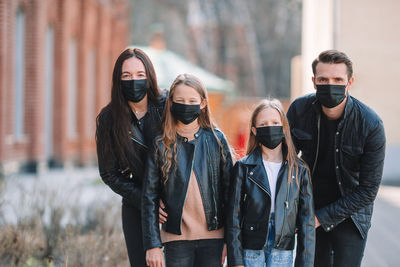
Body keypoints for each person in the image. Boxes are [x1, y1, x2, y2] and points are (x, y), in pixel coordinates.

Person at [287, 50, 386, 267]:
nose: (330, 85)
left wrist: (320, 218)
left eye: (337, 80)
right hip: (309, 206)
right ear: (314, 82)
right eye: (323, 79)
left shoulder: (370, 124)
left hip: (351, 213)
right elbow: (286, 161)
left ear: (349, 82)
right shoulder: (299, 110)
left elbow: (368, 189)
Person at [141, 73, 233, 267]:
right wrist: (152, 244)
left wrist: (230, 241)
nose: (186, 105)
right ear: (171, 102)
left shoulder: (216, 140)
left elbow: (230, 194)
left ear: (203, 103)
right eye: (180, 100)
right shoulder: (160, 144)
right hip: (176, 238)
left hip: (214, 238)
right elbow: (149, 197)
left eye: (192, 100)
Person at [96, 48, 167, 266]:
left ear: (149, 77)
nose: (133, 81)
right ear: (118, 80)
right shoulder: (109, 119)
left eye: (139, 75)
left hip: (174, 203)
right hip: (136, 206)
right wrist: (148, 202)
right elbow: (109, 173)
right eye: (126, 76)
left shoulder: (167, 106)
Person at [226, 99, 315, 267]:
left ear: (284, 127)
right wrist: (236, 260)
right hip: (251, 247)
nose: (270, 127)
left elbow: (307, 221)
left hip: (283, 247)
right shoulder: (243, 167)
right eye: (263, 124)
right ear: (254, 130)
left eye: (275, 122)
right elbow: (233, 217)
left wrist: (306, 263)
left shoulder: (299, 169)